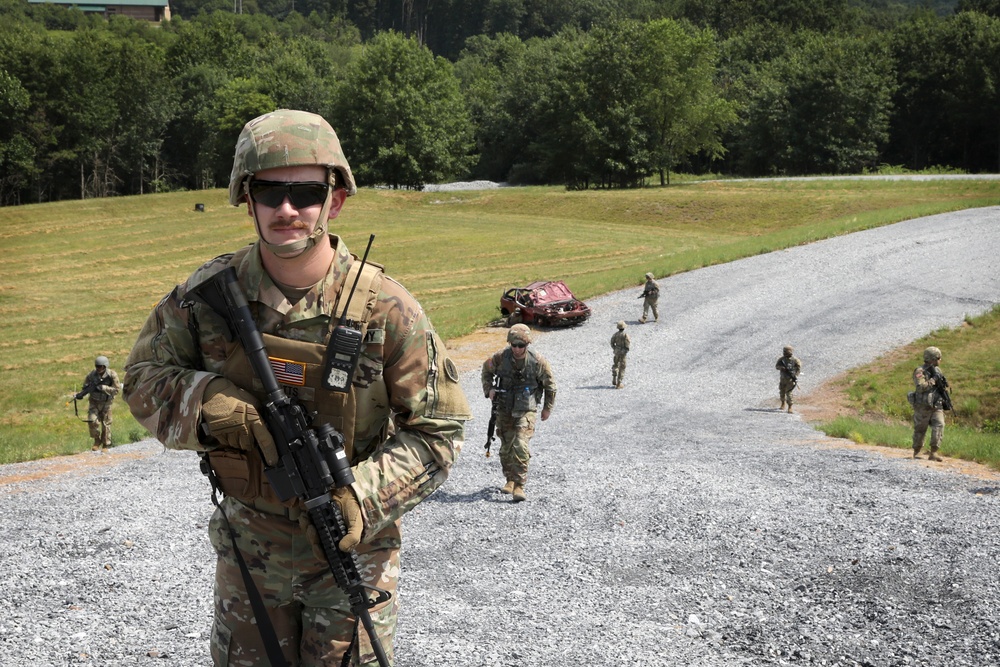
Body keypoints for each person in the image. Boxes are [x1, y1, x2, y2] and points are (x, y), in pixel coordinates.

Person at [123, 109, 470, 667]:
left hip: (351, 554)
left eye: (306, 192)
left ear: (334, 200)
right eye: (269, 191)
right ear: (247, 197)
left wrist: (361, 495)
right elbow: (141, 381)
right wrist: (211, 402)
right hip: (250, 554)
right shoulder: (206, 298)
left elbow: (439, 430)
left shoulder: (386, 309)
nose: (288, 210)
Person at [481, 323, 556, 502]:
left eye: (520, 346)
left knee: (520, 444)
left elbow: (550, 386)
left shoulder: (538, 361)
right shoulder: (500, 358)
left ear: (527, 345)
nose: (516, 349)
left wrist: (547, 408)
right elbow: (486, 371)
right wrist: (489, 389)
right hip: (504, 407)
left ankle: (520, 485)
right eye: (513, 345)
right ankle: (510, 480)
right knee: (506, 447)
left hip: (526, 409)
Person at [75, 355, 121, 451]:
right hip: (94, 402)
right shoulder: (91, 375)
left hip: (106, 403)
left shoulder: (112, 375)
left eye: (100, 366)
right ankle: (97, 440)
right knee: (92, 421)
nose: (98, 368)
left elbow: (116, 390)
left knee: (106, 423)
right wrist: (81, 394)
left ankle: (105, 444)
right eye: (97, 366)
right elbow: (85, 387)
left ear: (105, 366)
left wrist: (103, 388)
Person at [910, 346, 948, 462]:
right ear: (932, 358)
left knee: (939, 425)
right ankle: (917, 451)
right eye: (938, 358)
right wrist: (933, 380)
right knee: (920, 429)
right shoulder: (920, 371)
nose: (940, 360)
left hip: (936, 405)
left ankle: (934, 452)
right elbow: (921, 387)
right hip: (923, 406)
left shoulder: (937, 371)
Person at [775, 345, 801, 413]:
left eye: (787, 352)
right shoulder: (781, 360)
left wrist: (795, 375)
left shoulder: (795, 360)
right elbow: (777, 366)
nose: (785, 353)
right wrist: (781, 368)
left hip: (790, 379)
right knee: (782, 392)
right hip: (783, 379)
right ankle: (783, 403)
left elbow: (798, 368)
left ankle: (790, 407)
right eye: (785, 352)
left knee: (789, 393)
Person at [610, 321, 630, 389]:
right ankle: (619, 383)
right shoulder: (625, 335)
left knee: (615, 365)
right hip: (623, 352)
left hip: (616, 351)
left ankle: (614, 377)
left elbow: (612, 342)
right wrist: (625, 350)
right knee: (622, 367)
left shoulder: (615, 334)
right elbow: (627, 345)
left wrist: (615, 349)